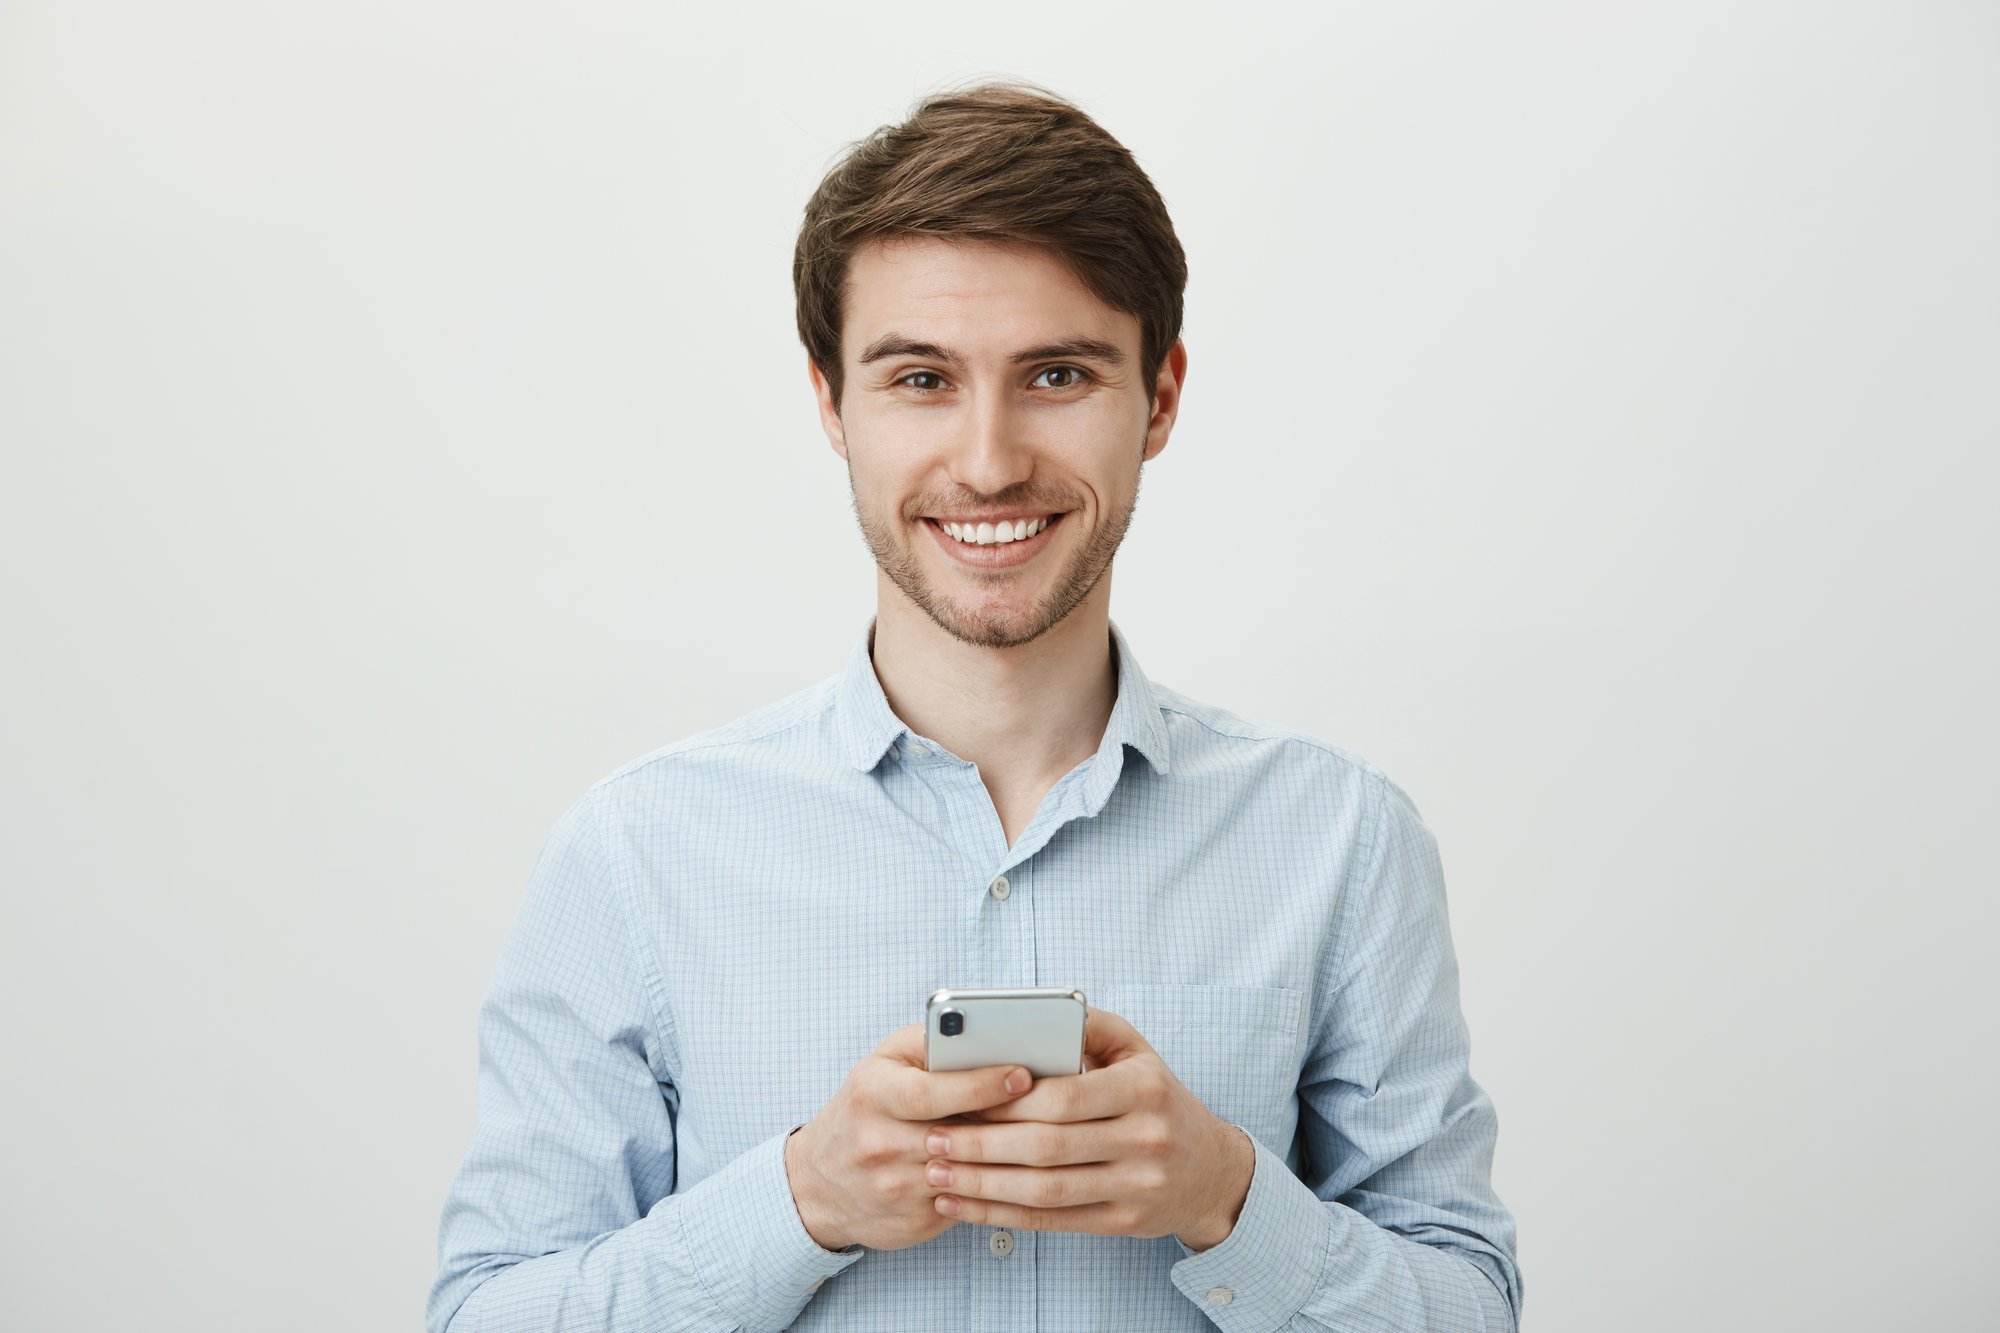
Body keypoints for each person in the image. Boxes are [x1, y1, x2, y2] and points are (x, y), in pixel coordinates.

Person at [426, 82, 1522, 1333]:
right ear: (831, 403)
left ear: (1157, 398)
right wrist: (800, 1199)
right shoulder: (636, 853)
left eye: (1056, 374)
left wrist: (1225, 1195)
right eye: (919, 379)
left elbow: (1466, 1309)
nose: (990, 459)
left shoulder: (1342, 838)